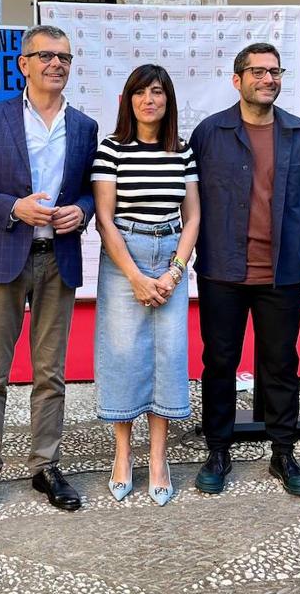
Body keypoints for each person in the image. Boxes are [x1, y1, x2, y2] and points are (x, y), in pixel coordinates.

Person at [0, 24, 98, 514]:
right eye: (45, 56)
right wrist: (14, 208)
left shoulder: (83, 125)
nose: (55, 64)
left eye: (63, 57)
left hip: (57, 257)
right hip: (5, 254)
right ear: (23, 64)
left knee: (50, 371)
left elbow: (88, 191)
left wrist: (82, 211)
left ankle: (45, 465)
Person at [188, 42, 300, 498]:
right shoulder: (209, 133)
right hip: (222, 271)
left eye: (275, 71)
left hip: (281, 272)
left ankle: (283, 452)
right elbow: (192, 202)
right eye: (258, 71)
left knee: (280, 363)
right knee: (219, 362)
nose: (269, 79)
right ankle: (218, 448)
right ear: (237, 79)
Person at [92, 65, 200, 506]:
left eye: (157, 92)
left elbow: (193, 215)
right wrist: (135, 277)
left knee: (167, 357)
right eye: (140, 92)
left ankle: (158, 458)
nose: (148, 100)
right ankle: (123, 455)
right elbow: (104, 219)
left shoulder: (184, 151)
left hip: (170, 251)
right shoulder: (111, 149)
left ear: (168, 99)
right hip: (124, 256)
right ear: (128, 99)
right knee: (123, 355)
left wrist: (175, 271)